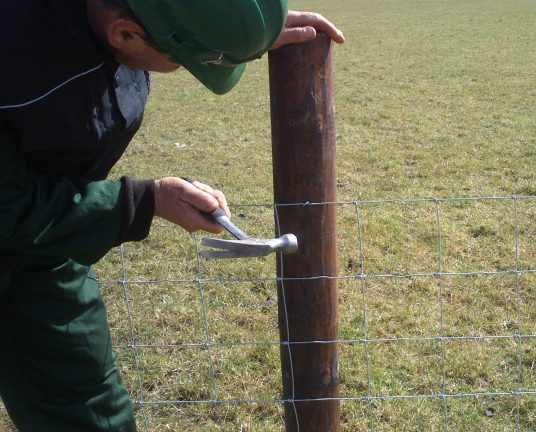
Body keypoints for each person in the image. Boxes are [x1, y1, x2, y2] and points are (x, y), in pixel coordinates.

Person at [0, 0, 344, 430]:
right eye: (183, 60)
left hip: (46, 252)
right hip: (21, 222)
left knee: (93, 416)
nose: (185, 67)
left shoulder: (129, 21)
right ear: (125, 35)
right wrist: (148, 201)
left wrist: (234, 37)